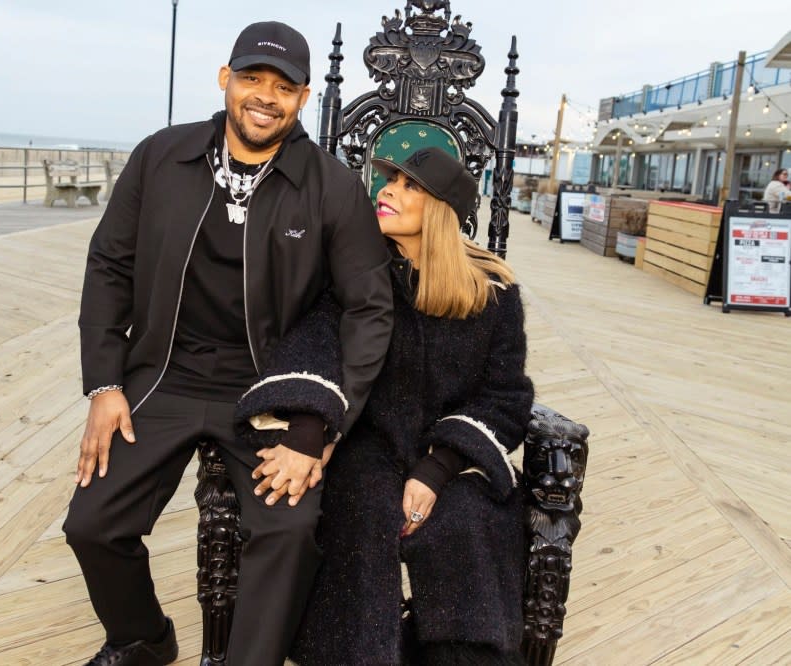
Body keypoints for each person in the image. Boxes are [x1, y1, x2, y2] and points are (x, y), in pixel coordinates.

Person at [62, 20, 393, 666]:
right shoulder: (161, 158)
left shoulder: (333, 188)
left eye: (283, 86)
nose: (264, 97)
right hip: (165, 376)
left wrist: (324, 423)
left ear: (302, 100)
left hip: (270, 388)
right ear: (225, 80)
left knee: (290, 527)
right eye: (251, 79)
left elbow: (369, 310)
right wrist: (105, 383)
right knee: (92, 522)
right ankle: (142, 639)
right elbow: (109, 264)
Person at [237, 147, 534, 665]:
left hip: (453, 456)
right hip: (367, 444)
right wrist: (310, 428)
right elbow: (317, 341)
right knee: (363, 515)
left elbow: (504, 395)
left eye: (408, 185)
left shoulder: (494, 294)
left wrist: (437, 469)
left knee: (467, 524)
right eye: (389, 180)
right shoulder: (358, 272)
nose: (388, 190)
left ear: (442, 210)